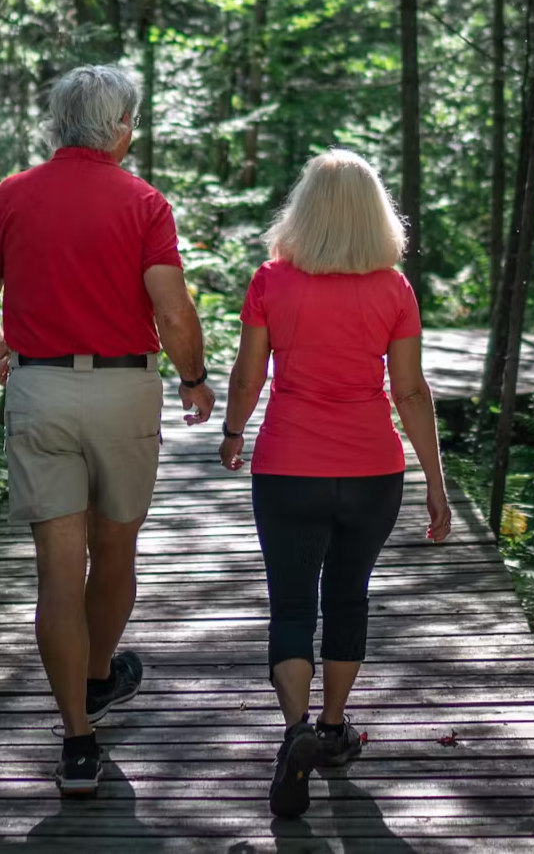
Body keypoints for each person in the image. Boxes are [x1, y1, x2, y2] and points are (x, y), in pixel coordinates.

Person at [0, 64, 216, 796]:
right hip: (122, 388)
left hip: (38, 388)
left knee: (54, 570)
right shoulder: (143, 203)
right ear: (121, 127)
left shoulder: (12, 195)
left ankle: (77, 738)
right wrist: (193, 378)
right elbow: (170, 312)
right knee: (116, 548)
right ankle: (100, 675)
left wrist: (0, 355)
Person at [217, 149, 452, 819]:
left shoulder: (271, 280)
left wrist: (233, 432)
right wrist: (435, 483)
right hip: (373, 469)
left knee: (291, 607)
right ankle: (332, 728)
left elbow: (248, 375)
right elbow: (408, 390)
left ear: (304, 210)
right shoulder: (394, 288)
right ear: (373, 215)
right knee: (347, 598)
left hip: (288, 468)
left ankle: (295, 734)